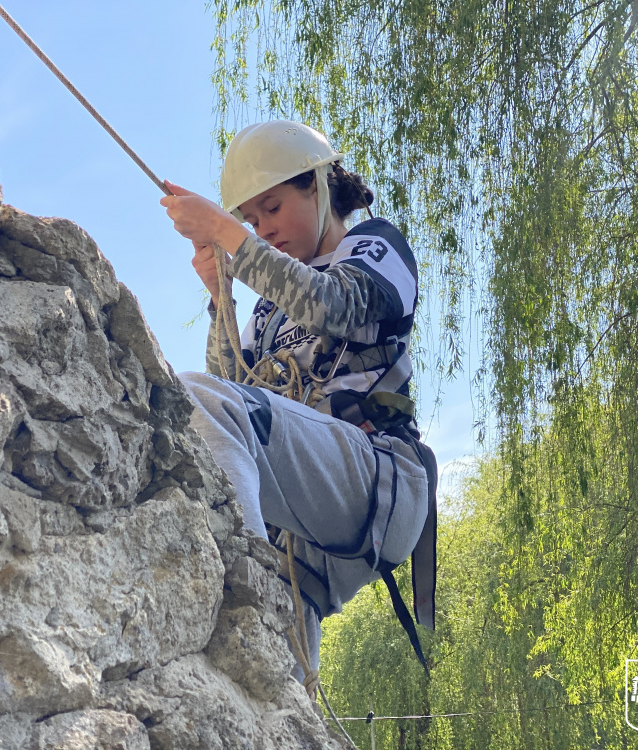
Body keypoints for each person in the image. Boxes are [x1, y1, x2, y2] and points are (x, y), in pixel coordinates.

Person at [160, 120, 437, 687]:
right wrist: (221, 301)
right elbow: (233, 388)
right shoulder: (268, 309)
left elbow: (332, 304)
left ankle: (239, 580)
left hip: (378, 475)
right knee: (272, 686)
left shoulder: (375, 248)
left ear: (317, 183)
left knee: (201, 398)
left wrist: (230, 235)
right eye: (251, 219)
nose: (262, 228)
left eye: (272, 207)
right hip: (304, 525)